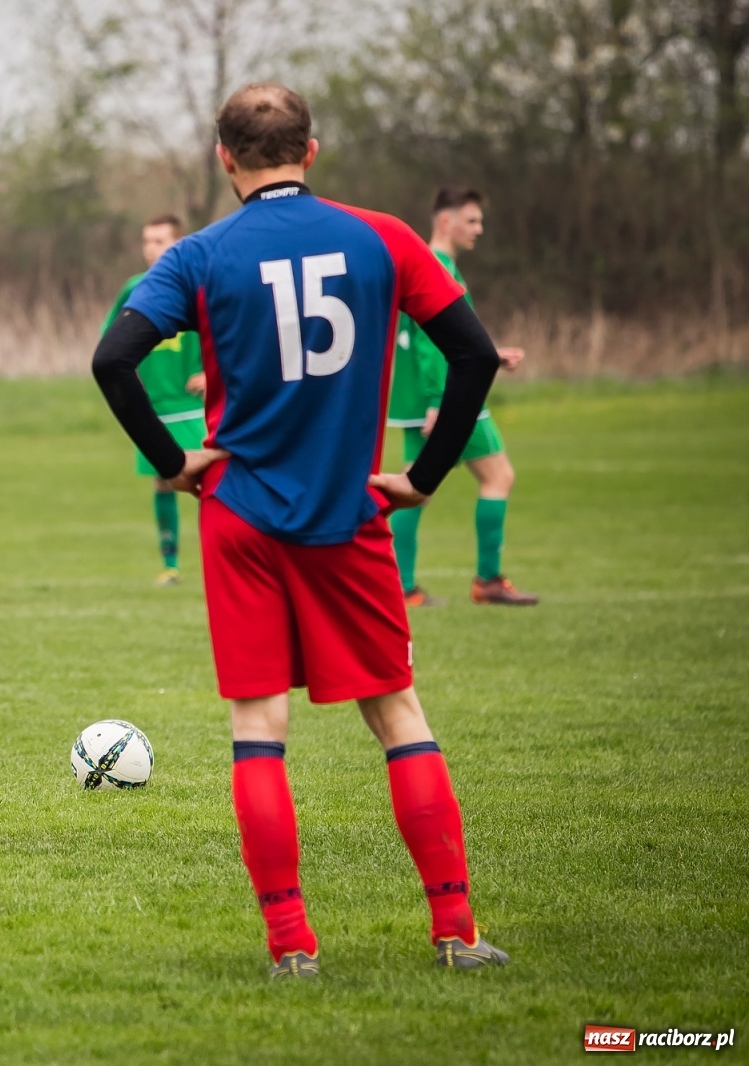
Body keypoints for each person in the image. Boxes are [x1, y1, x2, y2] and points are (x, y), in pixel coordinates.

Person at [93, 83, 510, 976]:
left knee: (259, 726)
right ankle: (457, 934)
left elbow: (113, 359)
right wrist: (428, 475)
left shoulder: (199, 256)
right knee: (398, 713)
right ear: (312, 152)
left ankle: (292, 949)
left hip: (240, 515)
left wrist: (173, 462)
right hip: (349, 515)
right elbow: (473, 352)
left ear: (224, 159)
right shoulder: (385, 238)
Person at [386, 187, 536, 606]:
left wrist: (490, 355)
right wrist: (440, 398)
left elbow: (452, 339)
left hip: (432, 394)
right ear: (445, 222)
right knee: (498, 477)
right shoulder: (437, 265)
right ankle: (487, 581)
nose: (479, 229)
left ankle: (402, 587)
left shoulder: (431, 262)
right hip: (451, 395)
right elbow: (429, 341)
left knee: (413, 487)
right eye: (471, 220)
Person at [101, 215, 205, 585]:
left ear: (178, 244)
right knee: (164, 482)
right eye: (147, 241)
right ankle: (171, 565)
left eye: (159, 241)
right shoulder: (135, 288)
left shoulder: (197, 282)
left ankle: (220, 562)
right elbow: (110, 342)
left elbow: (228, 333)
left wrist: (210, 371)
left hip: (193, 406)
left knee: (210, 484)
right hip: (153, 406)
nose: (151, 248)